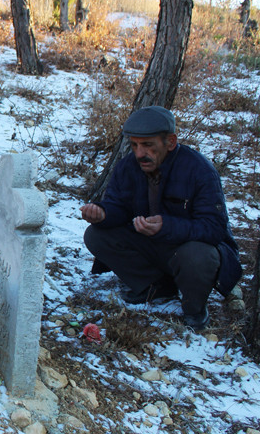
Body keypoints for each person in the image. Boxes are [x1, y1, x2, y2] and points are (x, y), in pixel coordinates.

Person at [81, 106, 241, 330]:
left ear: (171, 142)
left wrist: (167, 226)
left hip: (186, 249)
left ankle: (194, 309)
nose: (139, 153)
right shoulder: (128, 166)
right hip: (151, 245)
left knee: (198, 256)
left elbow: (214, 229)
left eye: (148, 145)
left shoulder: (200, 170)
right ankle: (154, 286)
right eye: (134, 145)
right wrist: (103, 213)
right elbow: (119, 206)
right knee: (96, 235)